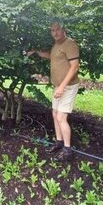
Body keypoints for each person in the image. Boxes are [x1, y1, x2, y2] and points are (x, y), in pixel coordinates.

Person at [27, 22, 80, 160]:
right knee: (55, 113)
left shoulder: (70, 44)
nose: (55, 33)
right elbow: (53, 57)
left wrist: (62, 86)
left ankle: (68, 151)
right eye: (52, 30)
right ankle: (59, 142)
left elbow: (74, 67)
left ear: (64, 29)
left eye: (58, 30)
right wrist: (37, 52)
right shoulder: (57, 45)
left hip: (67, 87)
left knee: (61, 117)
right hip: (58, 86)